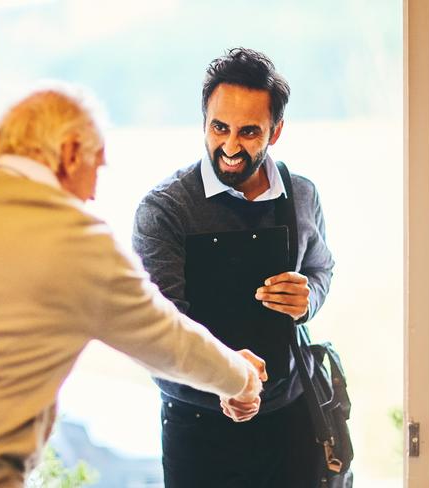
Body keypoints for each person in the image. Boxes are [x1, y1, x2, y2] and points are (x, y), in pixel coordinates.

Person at [0, 86, 267, 488]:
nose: (94, 191)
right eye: (97, 166)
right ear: (71, 152)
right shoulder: (80, 241)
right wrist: (242, 378)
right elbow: (172, 343)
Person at [132, 48, 335, 487]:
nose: (229, 146)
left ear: (275, 131)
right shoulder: (165, 210)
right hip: (198, 426)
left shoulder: (302, 194)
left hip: (292, 420)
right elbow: (158, 332)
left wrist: (308, 299)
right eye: (219, 127)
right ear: (203, 121)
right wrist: (229, 380)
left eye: (248, 132)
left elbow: (321, 269)